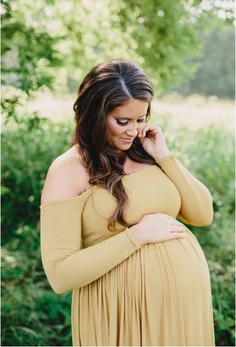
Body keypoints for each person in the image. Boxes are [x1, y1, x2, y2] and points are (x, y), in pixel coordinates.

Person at [40, 59, 215, 346]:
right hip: (119, 313)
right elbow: (60, 274)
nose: (133, 131)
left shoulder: (147, 153)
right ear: (95, 114)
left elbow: (202, 214)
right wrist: (136, 237)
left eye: (141, 119)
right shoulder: (68, 169)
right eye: (122, 121)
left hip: (182, 311)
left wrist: (164, 156)